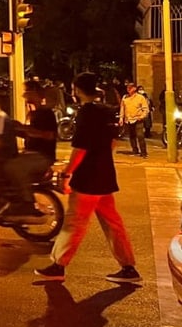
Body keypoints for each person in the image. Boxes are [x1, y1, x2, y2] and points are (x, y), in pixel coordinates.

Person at [34, 72, 141, 283]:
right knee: (113, 223)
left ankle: (58, 265)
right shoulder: (108, 111)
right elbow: (112, 144)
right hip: (105, 176)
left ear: (77, 90)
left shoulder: (86, 113)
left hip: (87, 179)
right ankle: (128, 267)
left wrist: (66, 173)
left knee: (74, 223)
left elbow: (80, 148)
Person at [4, 80, 56, 223]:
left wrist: (23, 128)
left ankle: (28, 203)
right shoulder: (32, 114)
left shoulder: (46, 113)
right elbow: (29, 134)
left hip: (42, 156)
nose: (23, 96)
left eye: (26, 92)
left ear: (35, 93)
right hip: (30, 154)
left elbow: (48, 135)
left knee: (14, 167)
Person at [119, 82, 149, 158]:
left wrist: (141, 117)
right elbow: (122, 108)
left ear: (134, 89)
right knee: (132, 136)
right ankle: (135, 150)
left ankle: (143, 152)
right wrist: (121, 118)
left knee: (140, 136)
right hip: (128, 119)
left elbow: (145, 109)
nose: (128, 89)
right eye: (128, 88)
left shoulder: (140, 97)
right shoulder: (125, 97)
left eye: (130, 88)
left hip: (138, 119)